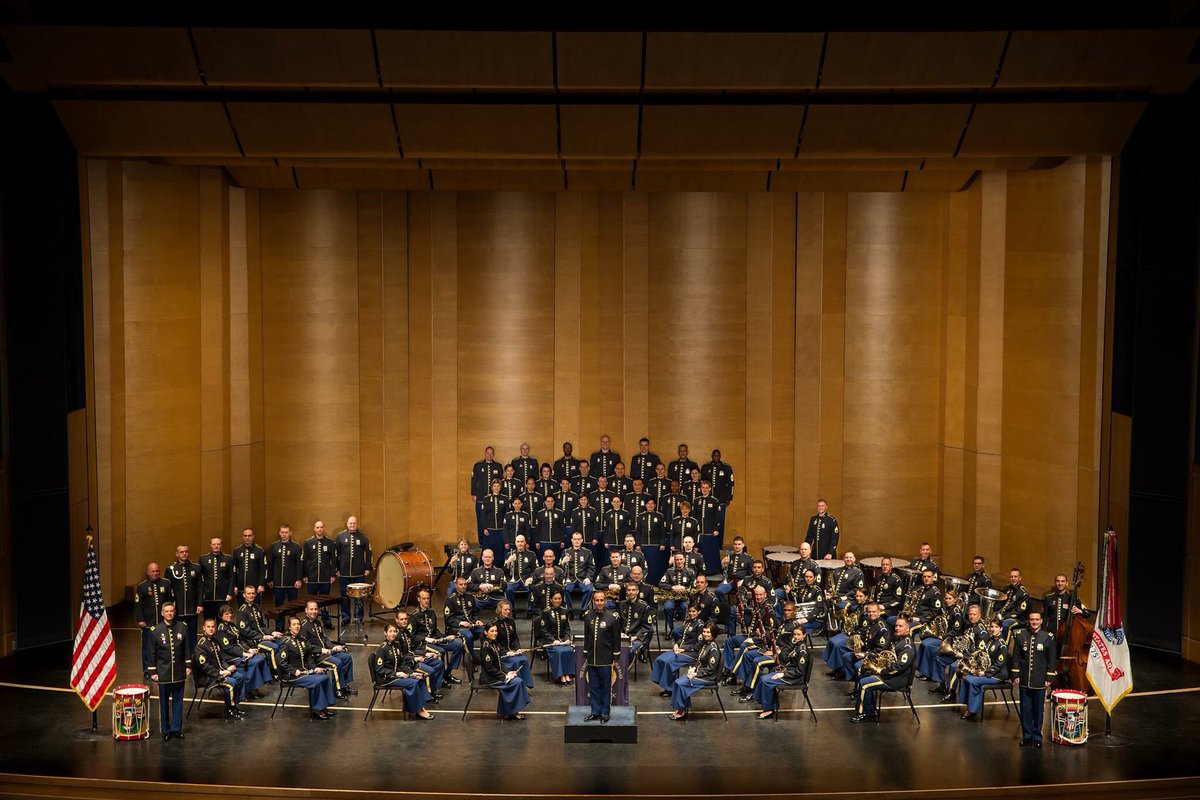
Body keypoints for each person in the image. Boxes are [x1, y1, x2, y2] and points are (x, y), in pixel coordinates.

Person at [850, 616, 915, 723]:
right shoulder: (898, 639)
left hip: (896, 680)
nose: (897, 628)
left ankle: (865, 713)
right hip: (891, 675)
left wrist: (882, 671)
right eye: (896, 626)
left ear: (907, 629)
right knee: (865, 672)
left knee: (865, 684)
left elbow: (899, 667)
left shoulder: (907, 646)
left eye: (901, 626)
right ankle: (870, 708)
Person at [276, 616, 337, 720]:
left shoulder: (302, 639)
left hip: (305, 671)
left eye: (298, 624)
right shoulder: (285, 642)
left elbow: (308, 657)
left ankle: (324, 707)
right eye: (294, 625)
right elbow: (281, 662)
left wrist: (315, 668)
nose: (297, 627)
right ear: (289, 627)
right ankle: (316, 709)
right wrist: (293, 671)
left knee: (323, 676)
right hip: (293, 675)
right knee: (316, 681)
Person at [148, 602, 191, 740]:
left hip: (178, 671)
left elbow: (186, 649)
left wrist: (188, 666)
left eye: (172, 611)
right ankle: (166, 730)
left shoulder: (182, 628)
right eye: (166, 611)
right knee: (164, 703)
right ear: (162, 613)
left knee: (178, 701)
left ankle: (176, 728)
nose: (169, 613)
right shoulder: (155, 630)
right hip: (163, 672)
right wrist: (153, 671)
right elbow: (151, 652)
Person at [373, 623, 435, 720]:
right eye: (390, 631)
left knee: (419, 678)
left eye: (394, 631)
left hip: (398, 674)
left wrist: (411, 673)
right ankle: (418, 710)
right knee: (413, 683)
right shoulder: (382, 648)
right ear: (385, 633)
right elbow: (380, 669)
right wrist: (396, 674)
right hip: (387, 678)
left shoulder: (396, 645)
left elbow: (402, 663)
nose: (393, 634)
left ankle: (421, 707)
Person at [1014, 610, 1057, 748]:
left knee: (1038, 710)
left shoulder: (1048, 637)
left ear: (1041, 621)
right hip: (1025, 679)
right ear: (1028, 620)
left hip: (1040, 679)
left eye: (1037, 619)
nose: (1034, 622)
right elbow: (1016, 658)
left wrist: (1050, 677)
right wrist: (1016, 675)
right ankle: (1027, 736)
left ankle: (1037, 736)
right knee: (1025, 709)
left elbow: (1051, 660)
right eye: (1032, 619)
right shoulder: (1021, 636)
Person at [194, 617, 248, 720]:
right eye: (208, 627)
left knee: (239, 677)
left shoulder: (214, 640)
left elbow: (221, 659)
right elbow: (204, 667)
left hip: (219, 672)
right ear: (203, 628)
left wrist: (228, 667)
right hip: (209, 677)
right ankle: (229, 711)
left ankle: (234, 705)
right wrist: (221, 672)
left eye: (213, 627)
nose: (211, 629)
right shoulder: (201, 645)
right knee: (231, 682)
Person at [957, 617, 1010, 721]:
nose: (993, 629)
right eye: (991, 626)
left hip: (997, 675)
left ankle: (972, 710)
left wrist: (984, 672)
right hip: (987, 670)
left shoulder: (1002, 645)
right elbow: (983, 656)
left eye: (996, 627)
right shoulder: (990, 640)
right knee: (966, 676)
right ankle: (968, 705)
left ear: (1001, 629)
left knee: (973, 682)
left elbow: (998, 665)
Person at [754, 624, 811, 720]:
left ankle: (768, 709)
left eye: (799, 634)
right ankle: (771, 706)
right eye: (794, 634)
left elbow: (800, 672)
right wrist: (779, 652)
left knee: (766, 681)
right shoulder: (796, 646)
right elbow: (788, 660)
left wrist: (783, 674)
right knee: (764, 678)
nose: (796, 637)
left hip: (795, 678)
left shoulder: (802, 651)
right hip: (789, 672)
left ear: (804, 635)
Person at [667, 622, 722, 720]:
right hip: (701, 673)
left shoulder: (713, 649)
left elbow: (710, 669)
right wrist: (693, 668)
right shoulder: (705, 644)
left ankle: (681, 710)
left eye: (708, 632)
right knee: (678, 682)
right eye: (704, 631)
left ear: (713, 634)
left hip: (708, 678)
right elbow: (700, 660)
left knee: (681, 684)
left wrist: (696, 674)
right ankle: (681, 706)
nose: (705, 634)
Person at [581, 589, 622, 722]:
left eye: (601, 600)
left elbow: (617, 639)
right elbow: (587, 635)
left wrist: (616, 656)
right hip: (592, 657)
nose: (599, 603)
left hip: (606, 657)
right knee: (593, 687)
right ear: (593, 601)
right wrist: (586, 652)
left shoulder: (613, 617)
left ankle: (605, 712)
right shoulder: (588, 616)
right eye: (597, 600)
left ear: (605, 601)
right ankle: (595, 711)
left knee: (605, 687)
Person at [300, 600, 355, 697]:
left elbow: (324, 639)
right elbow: (306, 647)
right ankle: (336, 689)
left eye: (316, 609)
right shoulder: (304, 626)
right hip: (316, 657)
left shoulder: (317, 622)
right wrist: (321, 650)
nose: (314, 611)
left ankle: (343, 685)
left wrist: (334, 647)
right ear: (306, 610)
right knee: (336, 663)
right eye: (311, 609)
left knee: (347, 658)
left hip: (326, 652)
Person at [216, 604, 271, 698]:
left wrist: (249, 649)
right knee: (254, 662)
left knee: (260, 658)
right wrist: (243, 653)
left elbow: (240, 640)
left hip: (239, 651)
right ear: (221, 615)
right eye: (226, 614)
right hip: (230, 656)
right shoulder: (221, 629)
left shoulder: (232, 625)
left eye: (230, 613)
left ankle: (256, 685)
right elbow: (228, 648)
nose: (229, 615)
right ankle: (250, 689)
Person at [479, 621, 531, 720]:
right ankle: (512, 712)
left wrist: (508, 672)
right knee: (517, 682)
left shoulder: (494, 643)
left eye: (496, 631)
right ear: (486, 632)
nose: (494, 633)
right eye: (492, 631)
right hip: (490, 678)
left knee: (517, 679)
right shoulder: (486, 647)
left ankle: (511, 711)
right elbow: (489, 668)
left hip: (496, 675)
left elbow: (499, 662)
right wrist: (504, 676)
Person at [411, 587, 465, 681]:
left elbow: (434, 630)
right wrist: (426, 639)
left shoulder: (432, 612)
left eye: (428, 598)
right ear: (418, 599)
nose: (427, 601)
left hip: (435, 640)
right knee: (441, 651)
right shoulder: (414, 616)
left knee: (458, 644)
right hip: (423, 644)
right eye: (424, 598)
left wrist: (446, 637)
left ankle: (447, 673)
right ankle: (441, 679)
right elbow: (412, 636)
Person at [652, 603, 704, 693]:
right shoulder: (688, 622)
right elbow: (683, 637)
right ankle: (664, 683)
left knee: (670, 662)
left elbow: (699, 645)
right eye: (690, 611)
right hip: (681, 649)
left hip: (692, 652)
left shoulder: (700, 625)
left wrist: (684, 649)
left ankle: (670, 689)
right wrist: (676, 643)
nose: (691, 613)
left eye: (694, 611)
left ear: (699, 612)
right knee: (661, 659)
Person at [393, 609, 446, 697]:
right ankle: (429, 695)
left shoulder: (406, 632)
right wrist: (415, 658)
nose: (404, 621)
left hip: (414, 656)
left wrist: (425, 654)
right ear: (396, 620)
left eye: (405, 619)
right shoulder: (397, 636)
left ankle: (434, 688)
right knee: (430, 671)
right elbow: (401, 657)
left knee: (438, 663)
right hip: (408, 663)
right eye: (401, 619)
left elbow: (412, 649)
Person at [135, 562, 172, 678]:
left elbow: (170, 601)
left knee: (164, 646)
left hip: (163, 623)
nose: (155, 573)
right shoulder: (142, 586)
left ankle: (163, 668)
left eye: (157, 571)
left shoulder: (166, 583)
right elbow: (138, 604)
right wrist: (140, 619)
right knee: (147, 647)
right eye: (153, 571)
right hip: (148, 623)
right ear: (147, 572)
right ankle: (147, 670)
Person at [334, 516, 373, 626]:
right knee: (344, 596)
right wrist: (336, 569)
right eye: (350, 524)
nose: (352, 526)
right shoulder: (340, 536)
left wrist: (367, 568)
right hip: (343, 573)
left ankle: (358, 618)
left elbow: (369, 553)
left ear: (357, 524)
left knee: (359, 597)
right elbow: (335, 555)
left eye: (354, 524)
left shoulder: (364, 537)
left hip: (359, 572)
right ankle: (346, 617)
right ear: (347, 524)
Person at [236, 586, 283, 673]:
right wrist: (263, 637)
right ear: (244, 595)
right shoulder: (242, 611)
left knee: (282, 641)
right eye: (249, 593)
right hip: (251, 641)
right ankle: (275, 672)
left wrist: (272, 632)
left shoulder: (257, 607)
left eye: (253, 593)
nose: (251, 595)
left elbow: (262, 626)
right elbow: (245, 632)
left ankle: (283, 667)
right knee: (273, 648)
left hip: (262, 637)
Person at [266, 524, 303, 631]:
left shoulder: (296, 546)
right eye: (282, 532)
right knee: (279, 606)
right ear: (279, 533)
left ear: (290, 533)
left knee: (293, 606)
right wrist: (270, 579)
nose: (284, 534)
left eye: (286, 532)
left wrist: (299, 579)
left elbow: (299, 564)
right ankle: (279, 626)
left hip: (292, 582)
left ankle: (293, 626)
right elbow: (270, 564)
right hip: (278, 583)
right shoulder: (274, 546)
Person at [166, 545, 203, 649]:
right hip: (178, 608)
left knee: (192, 636)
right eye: (181, 552)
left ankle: (192, 657)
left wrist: (200, 603)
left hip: (192, 607)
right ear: (177, 554)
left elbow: (200, 587)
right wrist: (170, 607)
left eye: (186, 551)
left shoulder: (196, 567)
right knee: (178, 635)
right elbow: (169, 590)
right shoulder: (170, 569)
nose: (184, 554)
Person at [301, 521, 337, 628]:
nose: (320, 529)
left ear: (324, 528)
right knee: (311, 600)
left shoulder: (330, 543)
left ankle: (326, 620)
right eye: (317, 527)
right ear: (314, 529)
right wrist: (305, 575)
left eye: (321, 527)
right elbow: (305, 560)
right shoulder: (308, 542)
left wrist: (333, 575)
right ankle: (311, 620)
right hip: (312, 577)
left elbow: (333, 560)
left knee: (325, 601)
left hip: (325, 577)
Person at [492, 600, 535, 688]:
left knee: (524, 660)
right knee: (515, 661)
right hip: (501, 653)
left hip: (512, 651)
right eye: (505, 610)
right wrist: (505, 652)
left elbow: (515, 637)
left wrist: (517, 648)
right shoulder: (495, 623)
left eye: (509, 609)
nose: (507, 612)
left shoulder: (511, 621)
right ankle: (517, 685)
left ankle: (527, 684)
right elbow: (495, 642)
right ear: (500, 610)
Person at [537, 589, 575, 685]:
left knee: (569, 650)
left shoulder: (565, 611)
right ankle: (560, 675)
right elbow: (544, 630)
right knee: (559, 651)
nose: (557, 600)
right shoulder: (546, 612)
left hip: (562, 641)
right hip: (550, 642)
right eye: (555, 599)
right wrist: (553, 640)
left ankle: (568, 673)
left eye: (559, 598)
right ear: (551, 600)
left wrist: (567, 638)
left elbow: (567, 627)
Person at [444, 576, 485, 653]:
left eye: (465, 584)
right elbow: (448, 618)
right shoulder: (450, 599)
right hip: (455, 627)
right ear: (456, 585)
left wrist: (477, 620)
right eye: (461, 584)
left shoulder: (470, 597)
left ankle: (484, 655)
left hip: (471, 625)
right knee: (468, 636)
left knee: (486, 630)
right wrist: (461, 623)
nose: (463, 586)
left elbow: (474, 612)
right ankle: (472, 661)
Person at [560, 532, 596, 617]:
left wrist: (588, 577)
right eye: (575, 539)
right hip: (570, 578)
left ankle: (584, 610)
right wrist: (563, 562)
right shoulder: (565, 551)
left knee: (589, 589)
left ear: (582, 540)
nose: (577, 541)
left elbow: (591, 567)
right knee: (564, 589)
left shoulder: (587, 552)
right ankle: (569, 610)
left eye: (578, 539)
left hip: (583, 578)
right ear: (572, 540)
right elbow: (560, 568)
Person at [470, 445, 503, 537]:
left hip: (494, 498)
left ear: (494, 454)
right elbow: (473, 480)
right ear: (485, 454)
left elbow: (500, 482)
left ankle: (490, 539)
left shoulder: (498, 466)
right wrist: (473, 494)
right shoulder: (478, 466)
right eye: (488, 453)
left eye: (491, 453)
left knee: (492, 519)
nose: (489, 455)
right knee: (481, 519)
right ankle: (481, 541)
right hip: (481, 497)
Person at [199, 537, 235, 622]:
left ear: (221, 545)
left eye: (218, 544)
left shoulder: (228, 558)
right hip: (207, 597)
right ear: (210, 545)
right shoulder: (203, 559)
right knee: (208, 620)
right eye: (214, 544)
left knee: (222, 621)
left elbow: (232, 577)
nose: (216, 546)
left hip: (222, 597)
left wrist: (230, 593)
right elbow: (200, 578)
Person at [618, 581, 654, 662]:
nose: (631, 592)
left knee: (630, 650)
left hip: (637, 637)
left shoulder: (644, 606)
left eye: (633, 590)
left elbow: (647, 627)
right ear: (626, 591)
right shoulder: (621, 604)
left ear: (637, 592)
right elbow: (618, 622)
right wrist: (619, 633)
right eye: (629, 590)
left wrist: (636, 637)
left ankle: (624, 670)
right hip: (623, 635)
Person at [659, 552, 697, 625]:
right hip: (672, 597)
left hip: (685, 598)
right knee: (667, 608)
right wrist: (672, 587)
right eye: (677, 560)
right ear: (674, 561)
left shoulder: (690, 572)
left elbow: (694, 586)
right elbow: (661, 584)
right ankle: (671, 628)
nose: (679, 561)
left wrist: (684, 588)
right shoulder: (669, 571)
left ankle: (684, 627)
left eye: (681, 559)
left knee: (685, 607)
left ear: (684, 560)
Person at [503, 535, 539, 612]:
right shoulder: (510, 554)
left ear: (525, 542)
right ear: (515, 543)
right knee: (508, 589)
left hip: (526, 578)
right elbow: (505, 570)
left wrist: (531, 578)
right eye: (518, 542)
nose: (520, 544)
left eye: (522, 541)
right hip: (514, 579)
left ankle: (530, 609)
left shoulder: (531, 554)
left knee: (532, 588)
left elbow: (536, 569)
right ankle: (511, 611)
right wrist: (509, 561)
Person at [230, 528, 265, 607]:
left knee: (255, 608)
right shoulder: (237, 550)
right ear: (242, 537)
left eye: (249, 535)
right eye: (245, 536)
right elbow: (234, 570)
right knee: (241, 609)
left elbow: (263, 569)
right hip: (241, 587)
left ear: (253, 536)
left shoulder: (259, 550)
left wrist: (261, 584)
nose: (247, 538)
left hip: (255, 587)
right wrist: (234, 585)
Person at [1000, 567, 1032, 646]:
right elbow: (1000, 603)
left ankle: (1003, 648)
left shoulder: (1023, 593)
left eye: (1015, 576)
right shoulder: (1007, 589)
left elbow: (1020, 611)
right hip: (1005, 615)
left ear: (1020, 578)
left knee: (1006, 624)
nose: (1013, 578)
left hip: (1019, 619)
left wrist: (1005, 616)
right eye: (1011, 576)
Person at [717, 536, 753, 600]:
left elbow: (751, 574)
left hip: (742, 582)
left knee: (742, 597)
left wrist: (744, 580)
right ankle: (724, 607)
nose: (737, 546)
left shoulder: (748, 558)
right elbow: (723, 572)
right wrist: (722, 564)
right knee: (718, 591)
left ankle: (740, 608)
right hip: (730, 581)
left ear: (743, 545)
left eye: (739, 544)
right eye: (735, 544)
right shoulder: (729, 557)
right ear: (733, 545)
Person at [569, 492, 601, 557]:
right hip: (579, 540)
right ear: (579, 501)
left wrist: (595, 538)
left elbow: (595, 526)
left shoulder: (593, 510)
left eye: (585, 499)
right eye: (581, 499)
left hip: (590, 539)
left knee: (592, 556)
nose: (583, 501)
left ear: (587, 500)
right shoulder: (575, 511)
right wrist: (575, 539)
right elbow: (573, 526)